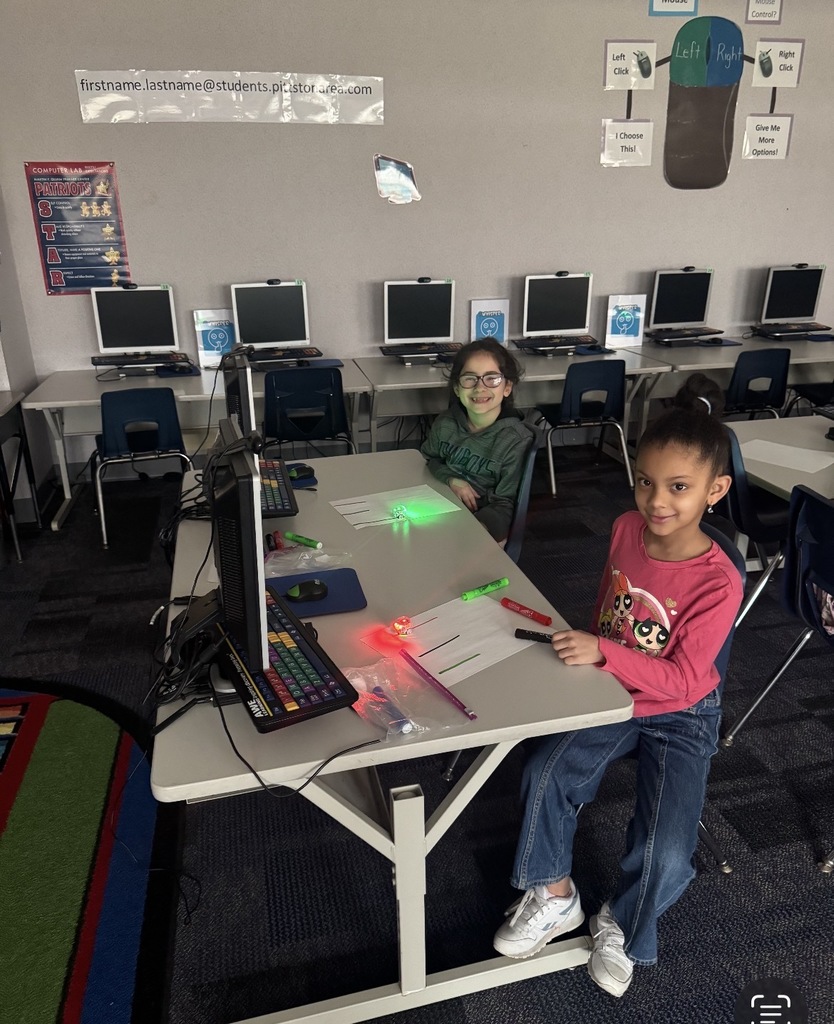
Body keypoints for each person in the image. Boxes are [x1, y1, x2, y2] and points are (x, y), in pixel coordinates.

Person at [492, 373, 743, 997]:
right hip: (617, 691)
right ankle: (555, 895)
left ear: (715, 490)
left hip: (684, 710)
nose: (657, 501)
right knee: (544, 770)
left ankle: (623, 924)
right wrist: (598, 646)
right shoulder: (626, 529)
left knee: (667, 853)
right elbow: (612, 601)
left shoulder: (721, 579)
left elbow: (685, 677)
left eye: (679, 488)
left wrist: (606, 651)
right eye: (646, 482)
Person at [420, 338, 532, 543]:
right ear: (457, 388)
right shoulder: (445, 424)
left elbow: (505, 504)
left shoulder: (515, 440)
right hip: (439, 508)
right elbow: (428, 461)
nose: (480, 387)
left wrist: (476, 529)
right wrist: (452, 480)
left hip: (485, 521)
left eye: (492, 378)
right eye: (470, 378)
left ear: (507, 387)